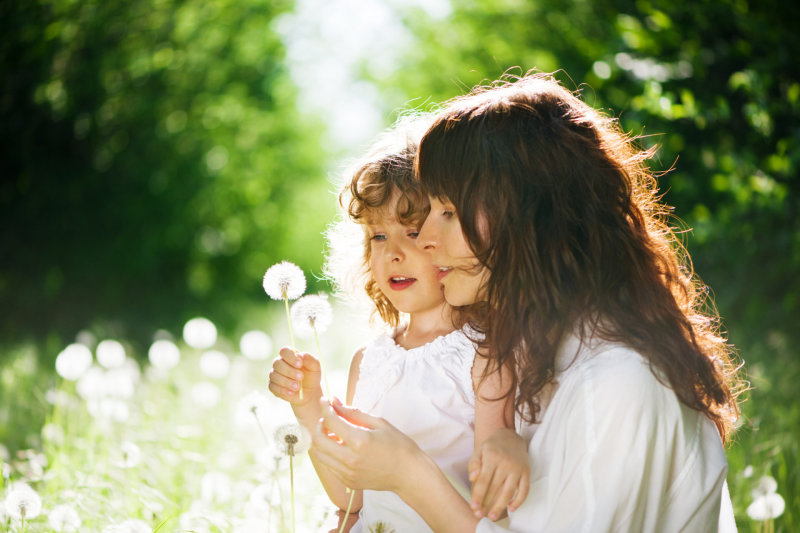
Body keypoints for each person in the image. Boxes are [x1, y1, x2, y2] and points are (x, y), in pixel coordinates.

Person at [311, 72, 744, 532]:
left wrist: (406, 474)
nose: (427, 242)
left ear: (526, 216)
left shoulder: (615, 382)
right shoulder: (538, 351)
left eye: (449, 212)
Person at [267, 116, 529, 533]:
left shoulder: (484, 354)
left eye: (411, 230)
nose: (394, 253)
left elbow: (490, 505)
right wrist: (308, 406)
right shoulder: (367, 361)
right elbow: (349, 497)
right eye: (378, 236)